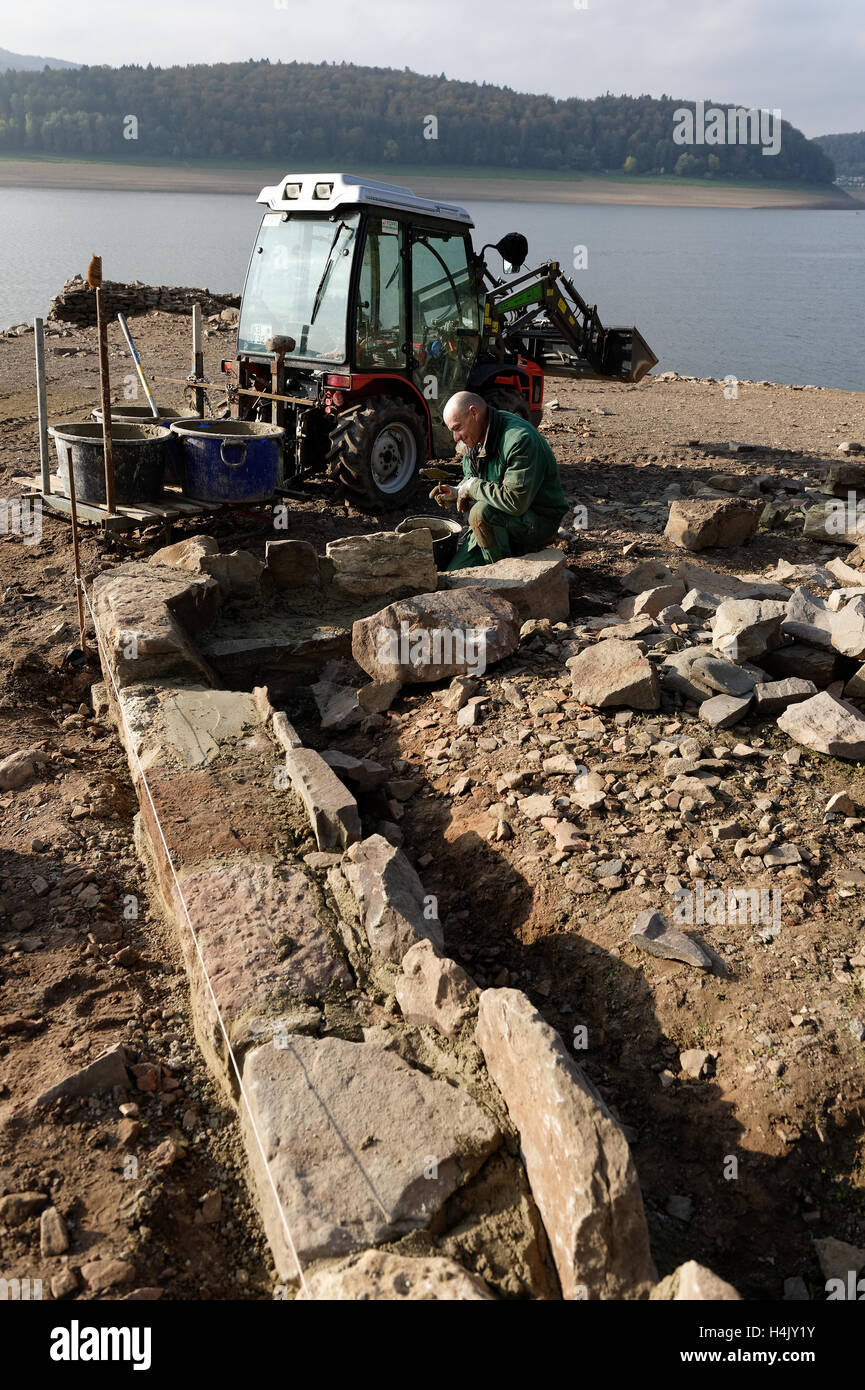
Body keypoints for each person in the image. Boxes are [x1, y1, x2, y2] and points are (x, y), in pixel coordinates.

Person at [432, 391, 568, 571]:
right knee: (452, 574)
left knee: (480, 513)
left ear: (474, 413)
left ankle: (505, 577)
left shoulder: (519, 440)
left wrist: (472, 487)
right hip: (499, 520)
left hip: (537, 520)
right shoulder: (473, 439)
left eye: (457, 428)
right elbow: (473, 478)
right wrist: (458, 490)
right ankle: (496, 555)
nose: (455, 438)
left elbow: (515, 501)